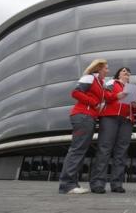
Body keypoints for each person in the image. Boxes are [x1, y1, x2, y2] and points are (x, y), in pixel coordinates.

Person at [58, 59, 109, 194]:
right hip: (83, 116)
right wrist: (94, 103)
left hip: (89, 117)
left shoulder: (100, 83)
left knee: (80, 150)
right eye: (106, 68)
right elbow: (75, 92)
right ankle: (67, 185)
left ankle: (72, 183)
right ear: (99, 68)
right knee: (77, 150)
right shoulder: (89, 78)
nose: (107, 71)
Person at [89, 67, 136, 193]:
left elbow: (135, 110)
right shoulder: (111, 83)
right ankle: (98, 184)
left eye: (128, 72)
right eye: (124, 71)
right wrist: (118, 95)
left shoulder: (132, 88)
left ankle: (117, 184)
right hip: (110, 118)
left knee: (121, 152)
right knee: (104, 149)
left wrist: (135, 104)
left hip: (127, 121)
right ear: (118, 74)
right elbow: (104, 96)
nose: (127, 73)